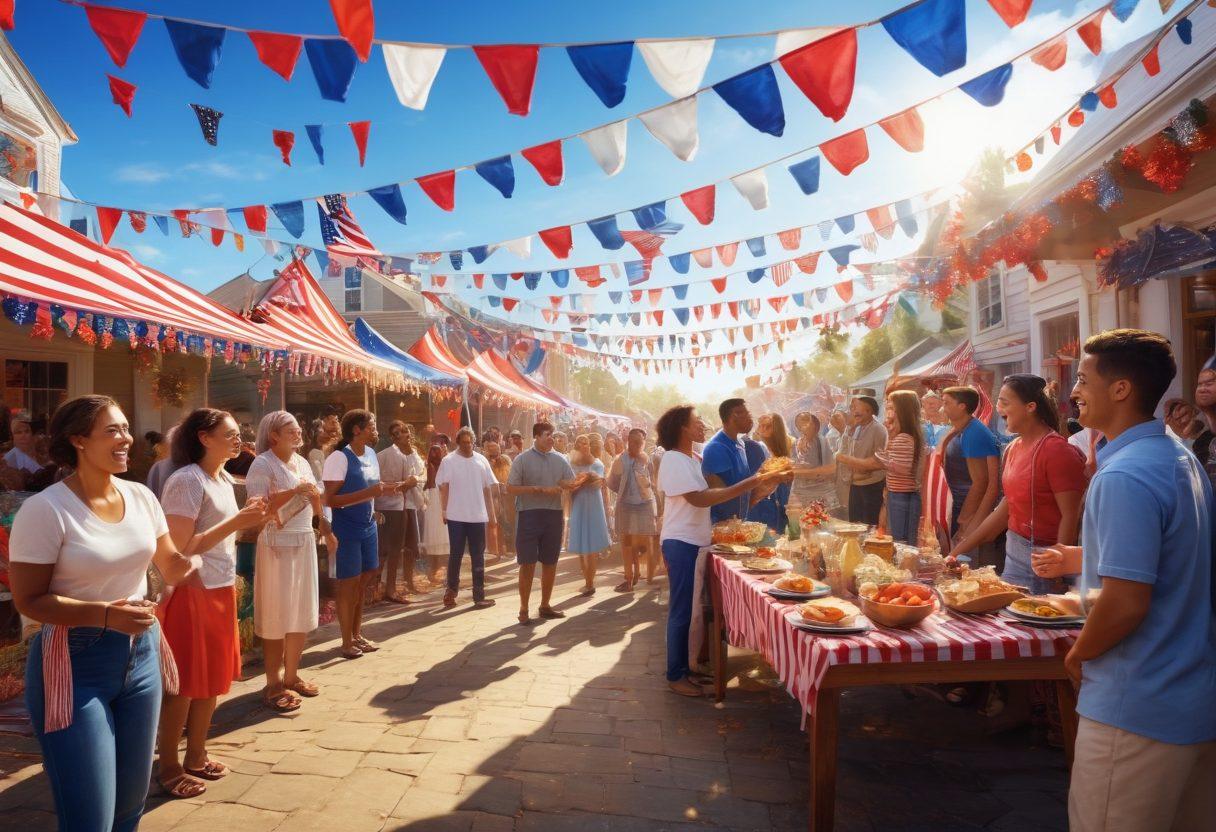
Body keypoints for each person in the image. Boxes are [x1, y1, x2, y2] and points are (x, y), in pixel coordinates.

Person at [9, 396, 202, 820]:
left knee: (130, 807)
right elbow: (29, 600)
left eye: (126, 429)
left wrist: (218, 539)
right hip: (74, 663)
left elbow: (171, 564)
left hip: (142, 656)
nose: (126, 439)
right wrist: (106, 615)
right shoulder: (46, 510)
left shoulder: (141, 497)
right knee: (90, 816)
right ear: (78, 440)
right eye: (112, 430)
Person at [1056, 330, 1215, 831]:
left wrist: (1080, 652)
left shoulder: (1124, 473)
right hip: (1192, 698)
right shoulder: (1179, 455)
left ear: (1121, 389)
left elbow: (1125, 602)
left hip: (1136, 704)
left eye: (1082, 379)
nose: (1073, 391)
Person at [156, 408, 268, 796]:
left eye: (240, 433)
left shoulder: (221, 479)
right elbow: (179, 548)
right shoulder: (185, 481)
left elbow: (221, 538)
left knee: (213, 679)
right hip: (191, 588)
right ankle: (168, 765)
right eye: (231, 433)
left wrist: (250, 521)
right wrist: (237, 523)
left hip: (219, 585)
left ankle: (197, 754)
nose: (240, 440)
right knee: (184, 682)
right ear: (204, 437)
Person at [655, 405, 788, 697]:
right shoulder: (673, 460)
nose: (701, 424)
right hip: (681, 543)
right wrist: (750, 482)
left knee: (689, 611)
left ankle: (686, 669)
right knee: (680, 611)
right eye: (695, 421)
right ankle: (675, 675)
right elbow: (700, 499)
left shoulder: (690, 458)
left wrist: (760, 486)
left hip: (695, 541)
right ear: (682, 428)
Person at [950, 375, 1084, 595]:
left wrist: (1058, 569)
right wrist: (955, 552)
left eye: (1004, 402)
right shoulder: (1012, 448)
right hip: (1014, 554)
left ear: (1030, 407)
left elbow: (1070, 516)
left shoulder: (1057, 450)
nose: (997, 407)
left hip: (1045, 560)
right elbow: (1006, 509)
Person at [246, 411, 327, 712]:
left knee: (299, 609)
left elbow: (315, 497)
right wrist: (294, 490)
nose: (298, 433)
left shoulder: (302, 462)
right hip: (276, 543)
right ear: (273, 436)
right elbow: (257, 507)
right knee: (277, 611)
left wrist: (322, 523)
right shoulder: (262, 463)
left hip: (303, 539)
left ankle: (292, 675)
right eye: (290, 430)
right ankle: (272, 683)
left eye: (298, 428)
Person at [322, 410, 399, 660]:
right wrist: (369, 494)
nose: (376, 429)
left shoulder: (371, 455)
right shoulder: (338, 458)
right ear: (356, 429)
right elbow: (329, 499)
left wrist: (380, 497)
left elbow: (371, 489)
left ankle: (357, 635)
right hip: (346, 529)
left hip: (368, 526)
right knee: (348, 585)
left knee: (364, 581)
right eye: (372, 425)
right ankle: (345, 642)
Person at [507, 422, 578, 625]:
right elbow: (510, 488)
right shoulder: (522, 459)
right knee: (527, 563)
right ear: (536, 437)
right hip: (529, 514)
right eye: (547, 435)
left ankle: (545, 605)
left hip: (554, 514)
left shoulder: (561, 459)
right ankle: (523, 608)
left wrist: (580, 482)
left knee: (550, 562)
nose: (551, 439)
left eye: (552, 435)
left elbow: (568, 482)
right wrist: (537, 489)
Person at [435, 427, 498, 609]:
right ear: (458, 443)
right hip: (456, 515)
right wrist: (444, 511)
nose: (468, 446)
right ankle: (451, 592)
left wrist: (492, 515)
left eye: (470, 442)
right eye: (464, 443)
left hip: (478, 515)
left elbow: (487, 489)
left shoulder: (481, 461)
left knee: (478, 556)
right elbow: (443, 487)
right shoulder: (449, 461)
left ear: (474, 442)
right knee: (456, 554)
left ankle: (479, 596)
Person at [939, 387, 1000, 546]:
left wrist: (964, 522)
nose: (942, 408)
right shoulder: (964, 428)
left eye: (946, 403)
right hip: (958, 504)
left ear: (962, 406)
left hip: (966, 509)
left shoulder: (973, 432)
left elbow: (981, 482)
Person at [702, 398, 774, 524]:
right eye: (747, 415)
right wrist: (760, 478)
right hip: (721, 527)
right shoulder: (717, 447)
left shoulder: (740, 443)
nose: (751, 419)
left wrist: (771, 481)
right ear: (734, 416)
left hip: (739, 524)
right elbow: (721, 496)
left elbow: (744, 494)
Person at [376, 421, 424, 603]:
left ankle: (390, 588)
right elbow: (376, 483)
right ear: (392, 437)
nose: (404, 434)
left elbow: (420, 474)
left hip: (404, 505)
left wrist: (412, 481)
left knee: (400, 549)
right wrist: (404, 485)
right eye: (399, 432)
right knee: (384, 550)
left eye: (405, 431)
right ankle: (378, 588)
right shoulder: (383, 455)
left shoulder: (412, 454)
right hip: (387, 506)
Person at [876, 391, 925, 544]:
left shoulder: (904, 437)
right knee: (903, 538)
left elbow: (902, 468)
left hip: (902, 494)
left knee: (901, 540)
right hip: (900, 494)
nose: (888, 412)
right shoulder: (904, 434)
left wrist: (881, 459)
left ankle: (906, 567)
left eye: (891, 407)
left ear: (901, 411)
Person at [567, 434, 612, 596]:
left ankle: (590, 582)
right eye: (580, 443)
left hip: (594, 506)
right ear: (576, 446)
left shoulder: (597, 464)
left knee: (591, 546)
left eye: (586, 443)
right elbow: (570, 485)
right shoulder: (571, 464)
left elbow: (598, 484)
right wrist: (577, 482)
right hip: (578, 505)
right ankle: (586, 578)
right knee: (580, 544)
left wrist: (586, 479)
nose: (583, 446)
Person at [835, 396, 888, 525]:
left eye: (856, 408)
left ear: (869, 410)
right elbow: (844, 451)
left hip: (872, 487)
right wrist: (848, 430)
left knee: (869, 526)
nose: (853, 412)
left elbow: (878, 462)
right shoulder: (856, 428)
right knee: (854, 525)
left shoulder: (878, 429)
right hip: (855, 486)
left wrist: (844, 459)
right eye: (852, 408)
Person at [749, 413, 793, 535]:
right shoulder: (757, 447)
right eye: (760, 425)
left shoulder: (789, 445)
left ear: (777, 429)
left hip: (781, 499)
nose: (762, 429)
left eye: (767, 426)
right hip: (763, 503)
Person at [791, 412, 838, 511]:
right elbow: (794, 465)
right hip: (800, 494)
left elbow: (830, 470)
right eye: (798, 423)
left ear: (814, 425)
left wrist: (803, 471)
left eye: (805, 421)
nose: (801, 427)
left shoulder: (822, 441)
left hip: (820, 495)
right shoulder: (796, 442)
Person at [420, 442, 449, 582]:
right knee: (433, 530)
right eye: (433, 451)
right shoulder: (428, 467)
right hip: (433, 499)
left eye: (438, 451)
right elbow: (430, 484)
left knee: (443, 531)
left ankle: (441, 568)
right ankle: (433, 569)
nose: (435, 454)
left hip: (442, 499)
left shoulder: (445, 466)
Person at [484, 440, 514, 559]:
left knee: (506, 522)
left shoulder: (505, 460)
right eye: (491, 450)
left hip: (506, 496)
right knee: (495, 523)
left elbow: (510, 474)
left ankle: (506, 549)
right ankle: (496, 549)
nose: (494, 452)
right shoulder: (486, 462)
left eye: (496, 449)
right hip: (492, 497)